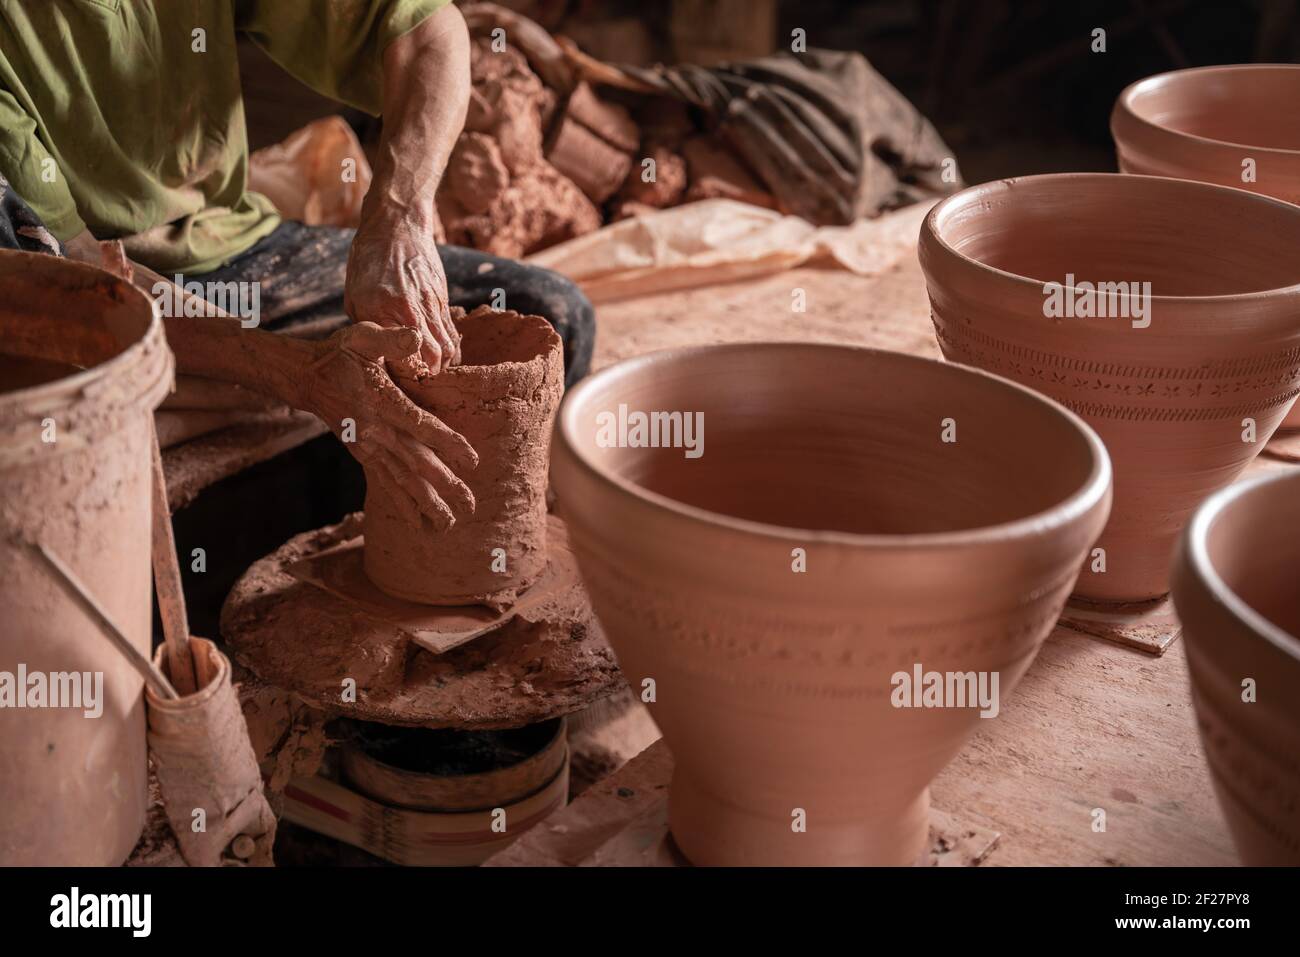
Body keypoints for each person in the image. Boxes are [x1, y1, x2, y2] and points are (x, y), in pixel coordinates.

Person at [0, 0, 593, 527]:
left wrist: (398, 217)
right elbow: (76, 280)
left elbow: (424, 30)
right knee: (64, 439)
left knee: (547, 313)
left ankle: (451, 551)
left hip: (229, 248)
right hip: (71, 307)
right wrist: (300, 374)